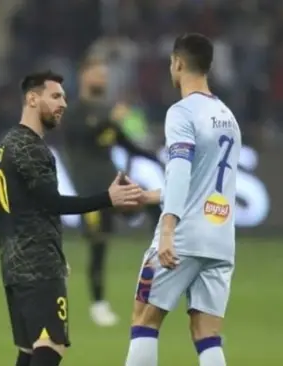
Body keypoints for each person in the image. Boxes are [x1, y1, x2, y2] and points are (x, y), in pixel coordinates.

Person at [0, 70, 142, 366]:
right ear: (33, 99)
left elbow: (32, 207)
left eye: (64, 97)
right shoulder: (32, 148)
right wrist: (107, 198)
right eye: (56, 96)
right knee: (52, 346)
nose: (63, 103)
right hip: (37, 267)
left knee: (30, 349)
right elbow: (53, 203)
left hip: (17, 262)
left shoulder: (10, 143)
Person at [124, 33, 241, 366]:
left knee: (144, 319)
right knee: (207, 334)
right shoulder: (228, 117)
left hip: (184, 236)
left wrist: (167, 228)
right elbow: (208, 184)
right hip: (220, 238)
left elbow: (179, 170)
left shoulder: (182, 112)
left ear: (177, 63)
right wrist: (152, 196)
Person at [61, 57, 161, 327]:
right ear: (84, 77)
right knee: (99, 245)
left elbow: (128, 145)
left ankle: (161, 271)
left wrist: (160, 158)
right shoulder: (73, 111)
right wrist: (109, 119)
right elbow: (80, 133)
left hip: (114, 182)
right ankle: (98, 305)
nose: (102, 80)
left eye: (105, 75)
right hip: (90, 191)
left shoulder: (107, 112)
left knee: (154, 204)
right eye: (97, 74)